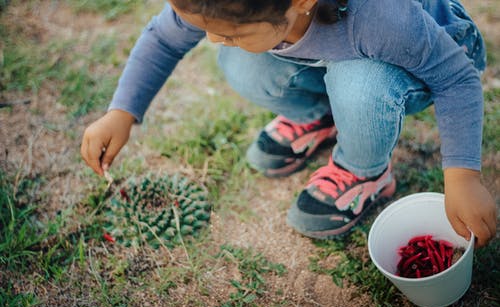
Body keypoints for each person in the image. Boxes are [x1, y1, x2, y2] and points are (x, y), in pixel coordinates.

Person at [81, 0, 497, 247]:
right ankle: (321, 117)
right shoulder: (230, 3)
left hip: (417, 66)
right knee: (239, 62)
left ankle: (364, 170)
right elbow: (162, 38)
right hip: (333, 53)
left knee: (359, 85)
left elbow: (454, 76)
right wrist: (122, 111)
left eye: (231, 31)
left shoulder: (380, 16)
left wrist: (462, 177)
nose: (209, 38)